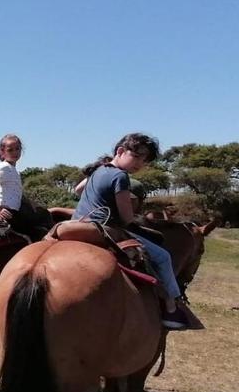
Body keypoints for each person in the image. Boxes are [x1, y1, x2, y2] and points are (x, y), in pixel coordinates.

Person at [72, 132, 190, 330]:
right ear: (120, 151)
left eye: (144, 160)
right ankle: (171, 308)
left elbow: (77, 190)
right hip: (104, 228)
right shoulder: (120, 176)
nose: (140, 163)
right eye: (136, 156)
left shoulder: (99, 169)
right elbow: (127, 219)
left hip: (76, 224)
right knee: (162, 256)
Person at [0, 134, 45, 239]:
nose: (15, 152)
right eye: (10, 150)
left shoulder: (13, 169)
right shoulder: (4, 167)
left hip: (14, 210)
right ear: (3, 152)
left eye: (17, 149)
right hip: (7, 211)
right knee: (34, 233)